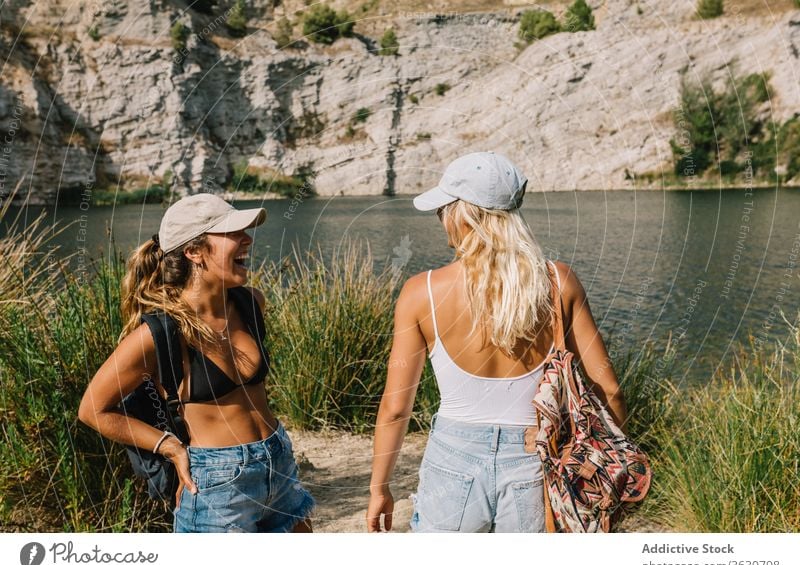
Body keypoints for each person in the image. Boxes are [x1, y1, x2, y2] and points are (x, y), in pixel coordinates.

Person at [367, 152, 628, 533]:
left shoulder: (420, 293)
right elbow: (610, 391)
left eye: (444, 210)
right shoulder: (559, 283)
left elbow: (394, 409)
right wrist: (601, 467)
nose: (442, 221)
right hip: (535, 462)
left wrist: (379, 488)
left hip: (452, 462)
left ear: (462, 214)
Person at [78, 194, 315, 533]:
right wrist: (170, 447)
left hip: (279, 461)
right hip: (217, 484)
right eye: (233, 233)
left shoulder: (250, 304)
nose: (247, 238)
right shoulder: (159, 334)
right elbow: (93, 409)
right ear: (194, 251)